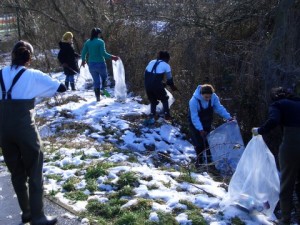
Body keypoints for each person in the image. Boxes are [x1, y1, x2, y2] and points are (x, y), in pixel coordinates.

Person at [0, 40, 67, 225]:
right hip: (25, 130)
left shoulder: (0, 74)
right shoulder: (33, 75)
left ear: (13, 55)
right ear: (29, 58)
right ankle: (38, 217)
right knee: (35, 172)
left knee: (16, 173)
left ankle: (27, 212)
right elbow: (61, 87)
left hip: (3, 131)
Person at [252, 87, 300, 225]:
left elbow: (274, 120)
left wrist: (259, 130)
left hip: (291, 146)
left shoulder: (278, 105)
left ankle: (285, 219)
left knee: (287, 183)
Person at [189, 84, 233, 167]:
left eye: (209, 97)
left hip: (207, 122)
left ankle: (210, 163)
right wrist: (200, 129)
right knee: (199, 143)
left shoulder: (214, 97)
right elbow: (194, 117)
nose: (208, 99)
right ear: (201, 94)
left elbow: (219, 108)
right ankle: (199, 162)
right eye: (206, 97)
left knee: (208, 142)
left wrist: (228, 117)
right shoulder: (193, 101)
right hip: (195, 123)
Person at [80, 27, 118, 101]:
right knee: (104, 77)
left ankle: (98, 98)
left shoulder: (88, 42)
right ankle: (104, 90)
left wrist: (83, 61)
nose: (100, 35)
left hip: (91, 64)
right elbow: (103, 53)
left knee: (96, 81)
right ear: (98, 34)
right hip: (100, 64)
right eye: (100, 34)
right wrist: (112, 57)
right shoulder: (100, 42)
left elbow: (83, 53)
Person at [144, 51, 177, 121]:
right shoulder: (166, 65)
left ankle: (152, 114)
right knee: (164, 99)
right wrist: (172, 86)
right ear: (166, 58)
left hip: (147, 84)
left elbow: (149, 75)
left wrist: (162, 83)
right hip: (156, 85)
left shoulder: (152, 61)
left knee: (153, 100)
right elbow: (169, 79)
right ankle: (167, 116)